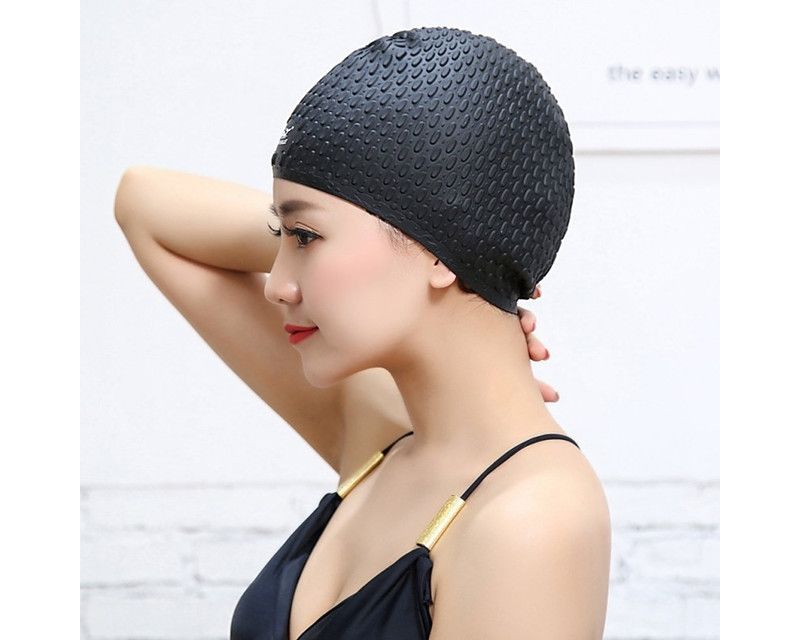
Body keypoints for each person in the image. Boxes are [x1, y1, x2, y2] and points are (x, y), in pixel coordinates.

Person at [115, 26, 610, 640]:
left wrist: (468, 253)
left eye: (304, 238)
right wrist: (461, 262)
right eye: (281, 239)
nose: (276, 286)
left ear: (438, 250)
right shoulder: (386, 441)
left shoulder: (531, 519)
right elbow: (143, 202)